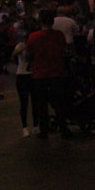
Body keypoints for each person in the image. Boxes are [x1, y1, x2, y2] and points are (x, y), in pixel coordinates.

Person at [27, 10, 73, 139]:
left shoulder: (33, 37)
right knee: (60, 103)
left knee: (42, 104)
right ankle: (63, 128)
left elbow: (29, 54)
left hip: (40, 74)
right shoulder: (59, 36)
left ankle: (44, 130)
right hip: (57, 72)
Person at [11, 18, 38, 137]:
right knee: (24, 102)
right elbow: (13, 56)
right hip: (23, 75)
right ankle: (25, 126)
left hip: (30, 75)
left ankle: (35, 125)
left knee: (35, 102)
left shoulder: (32, 45)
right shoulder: (21, 45)